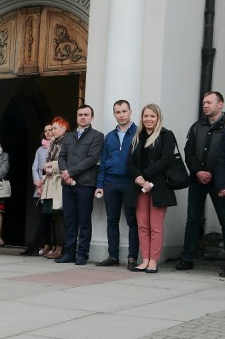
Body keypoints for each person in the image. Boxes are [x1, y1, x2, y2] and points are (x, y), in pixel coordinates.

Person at [177, 91, 225, 271]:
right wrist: (198, 171)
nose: (205, 105)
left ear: (220, 104)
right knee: (192, 219)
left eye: (209, 103)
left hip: (220, 181)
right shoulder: (197, 127)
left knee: (224, 219)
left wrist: (216, 175)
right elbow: (188, 152)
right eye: (204, 103)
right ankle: (187, 258)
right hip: (198, 180)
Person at [127, 104, 177, 273]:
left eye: (152, 116)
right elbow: (130, 163)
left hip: (159, 187)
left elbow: (167, 159)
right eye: (145, 116)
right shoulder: (137, 137)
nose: (148, 119)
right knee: (142, 225)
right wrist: (139, 179)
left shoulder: (166, 135)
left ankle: (154, 261)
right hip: (140, 188)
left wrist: (145, 175)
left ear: (158, 118)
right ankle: (145, 259)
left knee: (155, 226)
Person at [55, 105, 104, 265]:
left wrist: (71, 172)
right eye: (80, 115)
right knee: (69, 220)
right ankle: (69, 253)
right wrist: (65, 173)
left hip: (85, 184)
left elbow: (92, 158)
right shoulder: (68, 137)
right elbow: (61, 157)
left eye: (86, 114)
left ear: (91, 117)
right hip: (67, 184)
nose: (83, 117)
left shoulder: (97, 136)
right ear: (76, 117)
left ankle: (82, 254)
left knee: (84, 221)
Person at [95, 100, 139, 270]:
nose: (121, 115)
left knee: (132, 221)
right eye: (118, 112)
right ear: (114, 114)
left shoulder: (138, 133)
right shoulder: (110, 136)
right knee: (111, 220)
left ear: (130, 111)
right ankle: (113, 255)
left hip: (130, 182)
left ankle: (132, 257)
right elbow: (104, 161)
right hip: (111, 182)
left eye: (124, 111)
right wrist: (100, 184)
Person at [40, 117, 71, 259]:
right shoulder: (52, 142)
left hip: (59, 182)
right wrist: (46, 168)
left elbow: (66, 161)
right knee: (53, 217)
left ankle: (62, 248)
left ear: (64, 128)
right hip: (50, 182)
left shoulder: (67, 141)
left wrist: (51, 166)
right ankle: (55, 246)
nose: (52, 131)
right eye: (51, 128)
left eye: (55, 128)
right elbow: (47, 160)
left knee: (60, 217)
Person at [22, 124, 53, 256]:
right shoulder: (40, 149)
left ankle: (36, 246)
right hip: (39, 188)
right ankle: (44, 245)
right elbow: (35, 167)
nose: (47, 132)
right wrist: (37, 183)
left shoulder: (57, 147)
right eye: (45, 130)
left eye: (50, 130)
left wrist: (43, 181)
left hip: (51, 186)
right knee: (43, 218)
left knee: (48, 219)